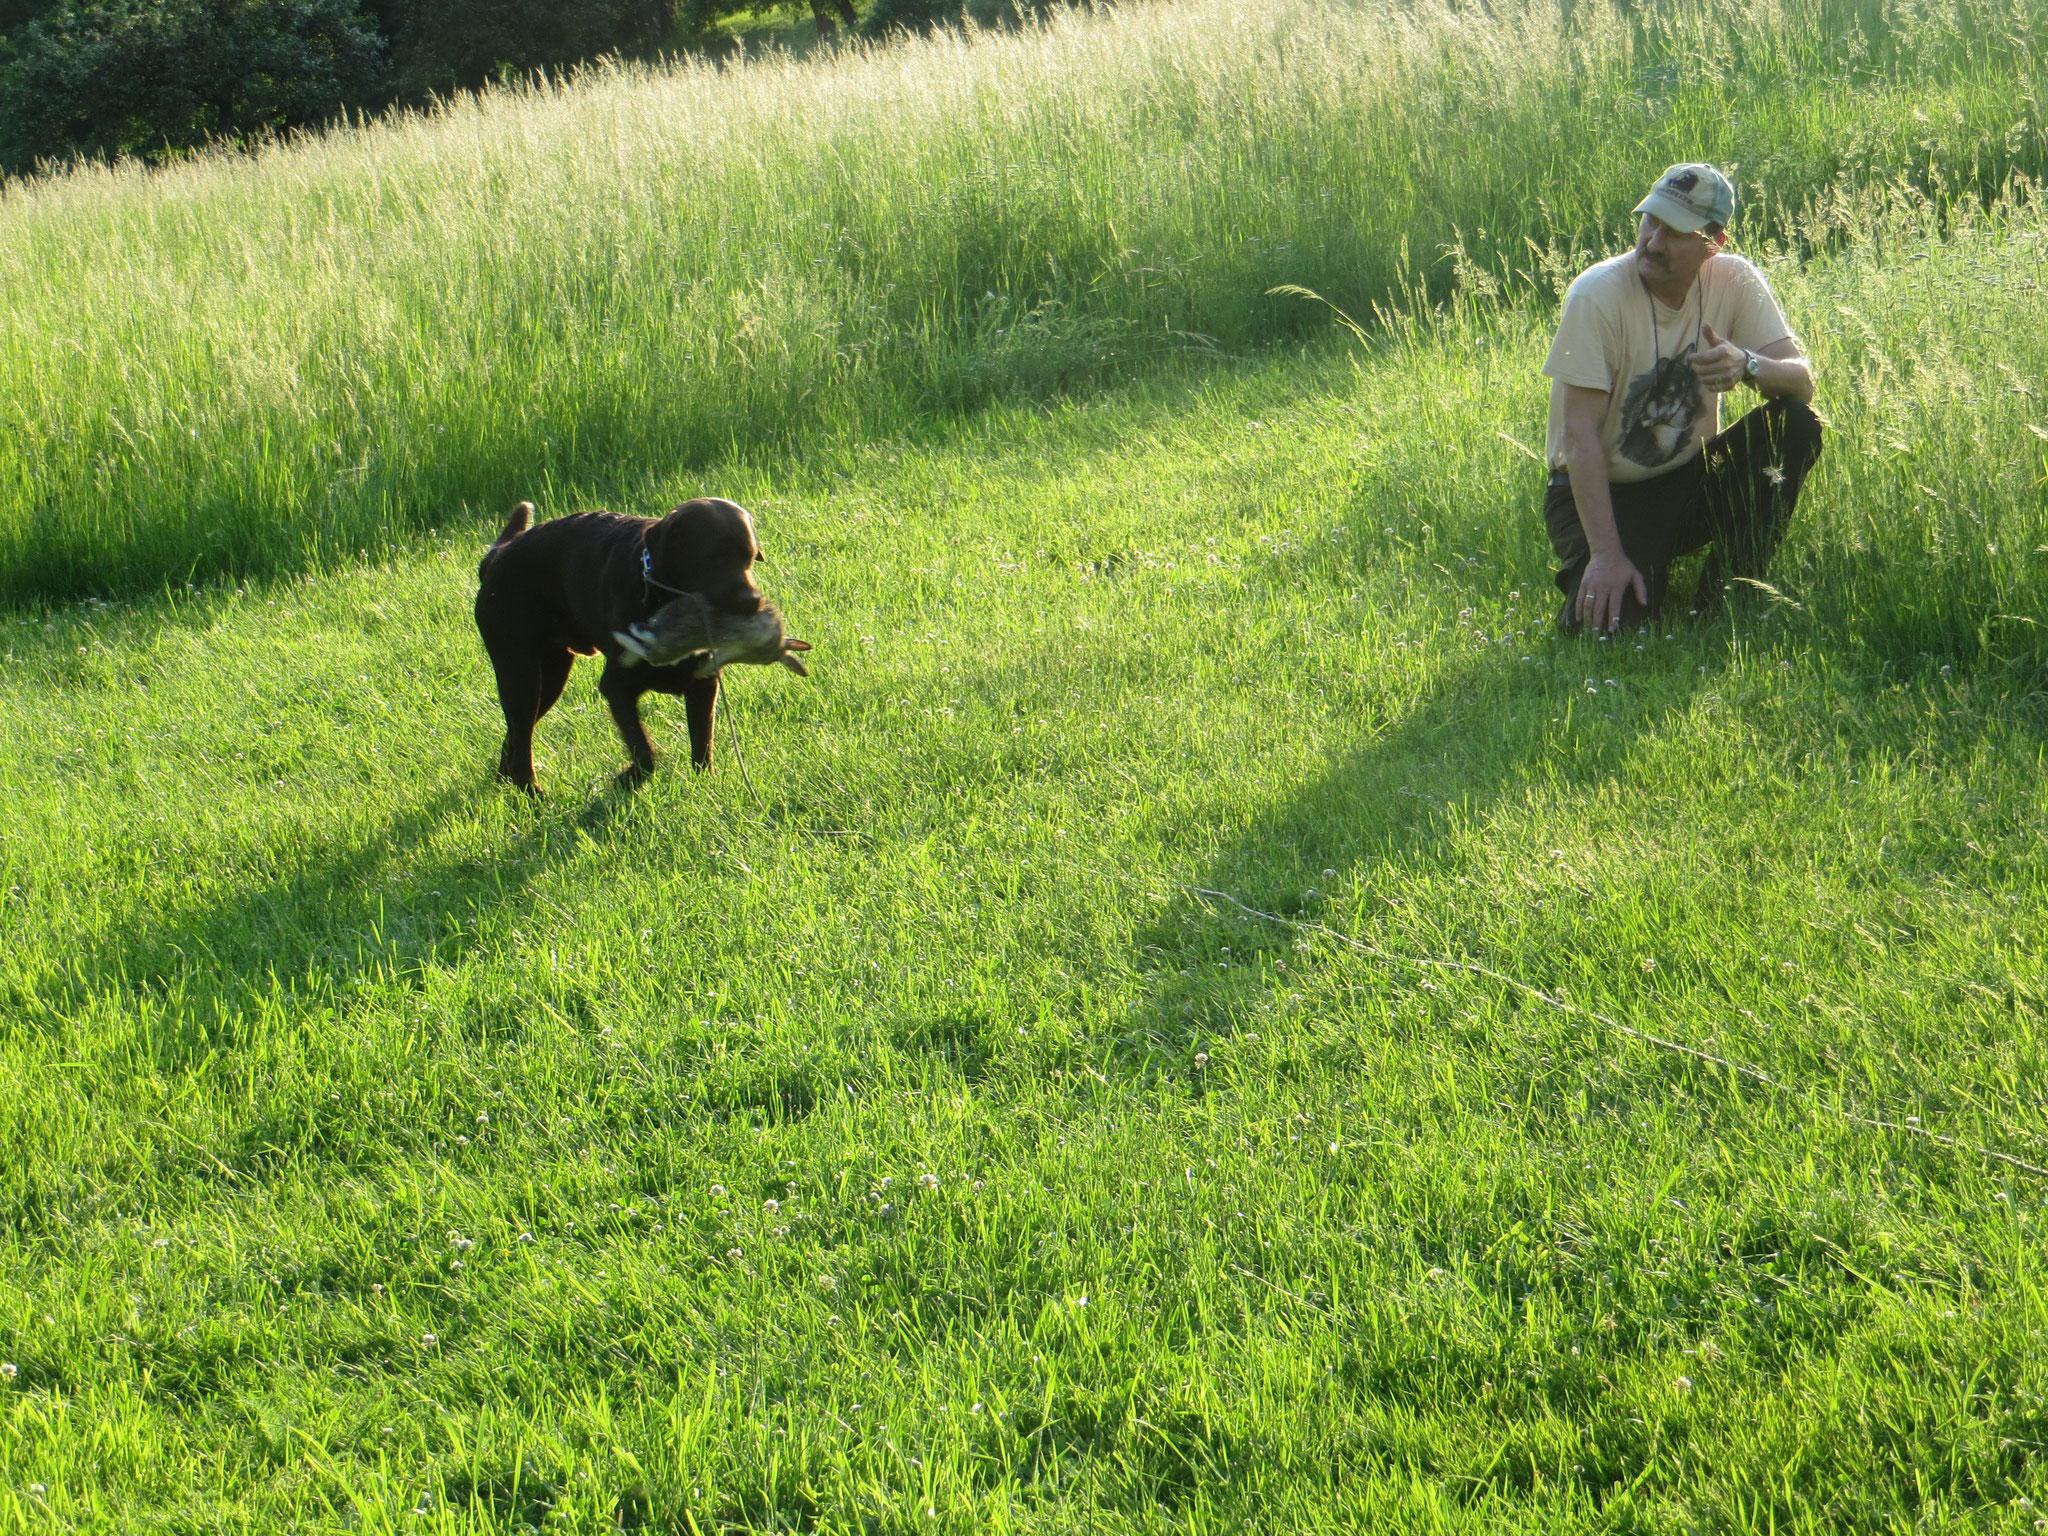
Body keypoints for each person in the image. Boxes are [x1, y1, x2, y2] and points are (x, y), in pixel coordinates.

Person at [1541, 163, 1821, 634]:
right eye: (1650, 220)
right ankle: (1622, 564)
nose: (1652, 242)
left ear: (1714, 243)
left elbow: (1801, 382)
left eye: (1674, 232)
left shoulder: (1734, 280)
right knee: (1606, 631)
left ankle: (1729, 594)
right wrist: (1607, 556)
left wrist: (1747, 365)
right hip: (1603, 494)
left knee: (1797, 422)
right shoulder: (1595, 296)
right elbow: (1578, 436)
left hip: (1690, 479)